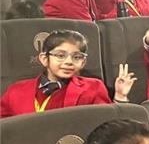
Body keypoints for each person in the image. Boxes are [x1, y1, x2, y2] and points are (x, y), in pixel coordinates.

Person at [1, 30, 134, 117]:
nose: (69, 62)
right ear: (44, 58)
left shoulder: (93, 88)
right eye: (60, 55)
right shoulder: (16, 90)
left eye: (77, 57)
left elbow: (107, 126)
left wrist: (120, 97)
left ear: (83, 62)